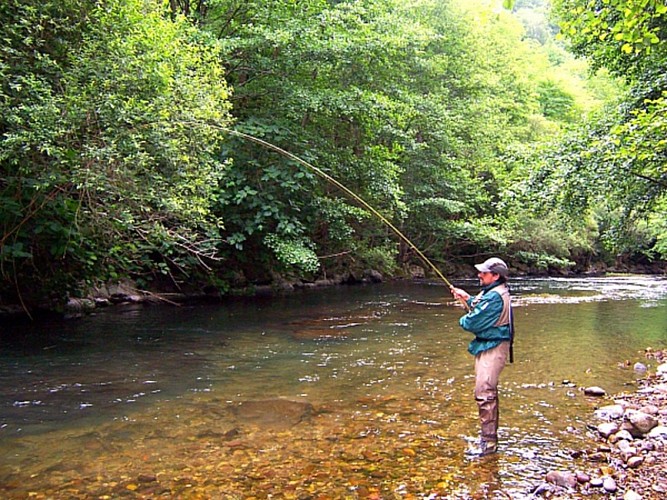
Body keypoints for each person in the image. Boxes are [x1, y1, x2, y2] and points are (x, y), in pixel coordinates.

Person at [450, 257, 514, 457]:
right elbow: (479, 305)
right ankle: (488, 440)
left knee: (485, 392)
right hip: (488, 345)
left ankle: (489, 444)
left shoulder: (495, 296)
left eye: (483, 273)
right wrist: (466, 299)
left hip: (494, 347)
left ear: (496, 276)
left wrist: (464, 317)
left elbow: (472, 323)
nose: (479, 275)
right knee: (485, 392)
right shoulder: (491, 292)